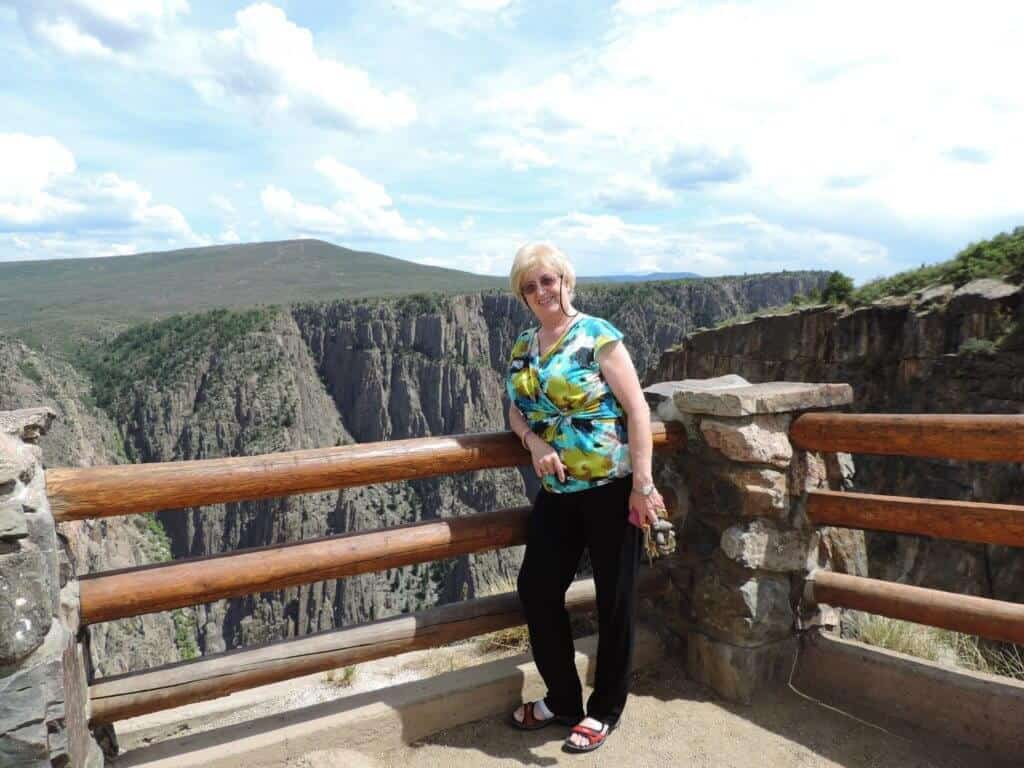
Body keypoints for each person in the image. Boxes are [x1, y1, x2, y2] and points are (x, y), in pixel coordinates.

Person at [505, 242, 666, 754]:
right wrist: (533, 442)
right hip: (557, 491)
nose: (539, 292)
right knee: (536, 587)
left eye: (546, 281)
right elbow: (515, 407)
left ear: (565, 281)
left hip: (611, 489)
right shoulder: (524, 345)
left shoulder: (598, 336)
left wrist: (642, 485)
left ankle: (605, 710)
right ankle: (564, 699)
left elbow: (637, 410)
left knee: (614, 599)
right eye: (529, 286)